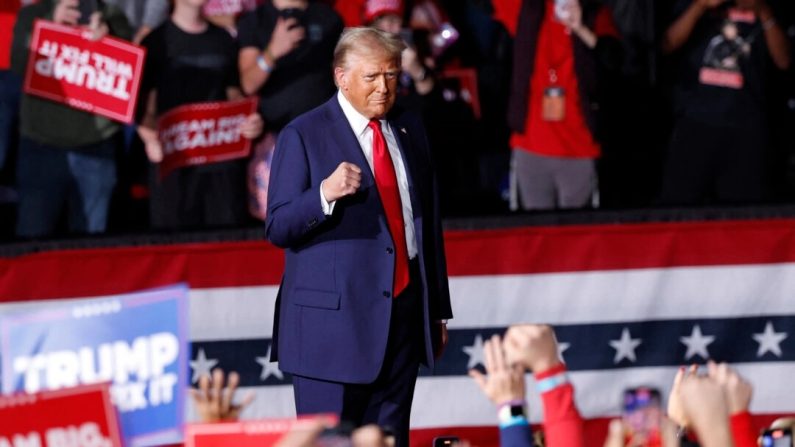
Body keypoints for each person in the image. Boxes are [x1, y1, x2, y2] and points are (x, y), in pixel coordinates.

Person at [265, 27, 452, 447]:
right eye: (371, 77)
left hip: (401, 321)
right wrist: (323, 195)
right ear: (341, 76)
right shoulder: (303, 134)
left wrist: (436, 310)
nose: (384, 88)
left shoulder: (409, 128)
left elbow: (426, 224)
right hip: (329, 333)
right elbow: (277, 226)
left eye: (391, 75)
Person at [136, 0, 263, 230]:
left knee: (224, 244)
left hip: (221, 163)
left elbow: (234, 94)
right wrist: (148, 137)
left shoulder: (224, 40)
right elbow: (145, 108)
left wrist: (250, 120)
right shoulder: (156, 43)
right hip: (174, 162)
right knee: (175, 246)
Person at [10, 0, 132, 238]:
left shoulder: (113, 17)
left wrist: (109, 40)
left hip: (96, 147)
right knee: (32, 242)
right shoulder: (32, 15)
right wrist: (49, 25)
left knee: (91, 247)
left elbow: (129, 74)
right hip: (40, 146)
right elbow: (18, 65)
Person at [659, 0, 790, 205]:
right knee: (678, 205)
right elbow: (667, 44)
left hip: (746, 123)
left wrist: (764, 12)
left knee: (746, 211)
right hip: (696, 119)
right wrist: (699, 6)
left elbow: (784, 61)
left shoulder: (765, 4)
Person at [506, 0, 620, 210]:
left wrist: (581, 28)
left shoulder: (594, 12)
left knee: (577, 238)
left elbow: (617, 60)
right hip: (532, 146)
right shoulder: (525, 7)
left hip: (578, 148)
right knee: (534, 235)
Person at [236, 0, 343, 220]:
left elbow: (342, 75)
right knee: (278, 216)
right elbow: (248, 84)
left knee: (327, 213)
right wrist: (273, 51)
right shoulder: (254, 20)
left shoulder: (329, 18)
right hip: (274, 142)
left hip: (323, 138)